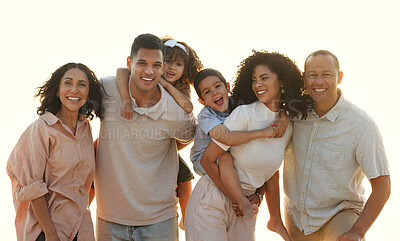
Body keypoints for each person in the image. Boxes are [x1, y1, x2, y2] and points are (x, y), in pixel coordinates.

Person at [185, 51, 310, 241]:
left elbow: (269, 171)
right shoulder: (243, 113)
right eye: (254, 79)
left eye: (264, 78)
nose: (257, 84)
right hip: (213, 198)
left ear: (282, 80)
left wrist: (259, 197)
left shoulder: (287, 125)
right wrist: (236, 198)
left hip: (247, 205)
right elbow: (207, 159)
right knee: (224, 158)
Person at [94, 33, 196, 241]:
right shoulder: (107, 89)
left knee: (185, 177)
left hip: (159, 220)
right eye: (142, 63)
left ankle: (188, 217)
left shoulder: (175, 109)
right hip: (110, 217)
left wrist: (160, 147)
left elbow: (190, 132)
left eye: (156, 65)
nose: (149, 71)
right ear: (130, 63)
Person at [283, 50, 391, 241]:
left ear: (339, 77)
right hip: (296, 217)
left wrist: (358, 231)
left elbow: (382, 186)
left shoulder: (361, 125)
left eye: (326, 74)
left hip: (339, 214)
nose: (319, 81)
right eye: (312, 75)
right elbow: (265, 154)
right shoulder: (293, 114)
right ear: (304, 78)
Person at [7, 63, 105, 241]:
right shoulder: (42, 129)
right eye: (68, 83)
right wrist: (51, 234)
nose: (74, 89)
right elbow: (33, 187)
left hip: (81, 230)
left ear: (89, 93)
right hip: (48, 231)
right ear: (57, 90)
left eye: (82, 84)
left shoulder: (85, 129)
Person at [115, 36, 203, 229]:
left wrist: (166, 84)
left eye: (179, 64)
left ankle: (187, 218)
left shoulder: (180, 87)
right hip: (130, 141)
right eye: (168, 62)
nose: (172, 68)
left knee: (184, 175)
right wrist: (125, 100)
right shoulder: (146, 76)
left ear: (185, 69)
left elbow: (188, 108)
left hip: (164, 144)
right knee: (102, 157)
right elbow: (122, 71)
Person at [190, 68, 288, 219]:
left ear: (227, 87)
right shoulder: (206, 116)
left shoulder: (238, 105)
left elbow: (272, 106)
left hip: (224, 152)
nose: (214, 93)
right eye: (207, 92)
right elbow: (226, 138)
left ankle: (271, 215)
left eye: (217, 86)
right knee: (225, 159)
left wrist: (283, 117)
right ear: (202, 101)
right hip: (201, 158)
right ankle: (240, 200)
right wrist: (262, 132)